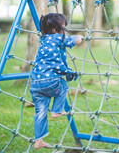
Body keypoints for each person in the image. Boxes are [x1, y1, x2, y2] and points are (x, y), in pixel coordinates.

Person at [30, 13, 83, 149]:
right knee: (63, 86)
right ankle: (57, 110)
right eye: (63, 26)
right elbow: (74, 41)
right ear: (55, 29)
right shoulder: (58, 37)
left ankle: (39, 140)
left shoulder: (44, 38)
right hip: (51, 80)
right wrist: (80, 37)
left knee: (40, 112)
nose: (65, 29)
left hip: (35, 83)